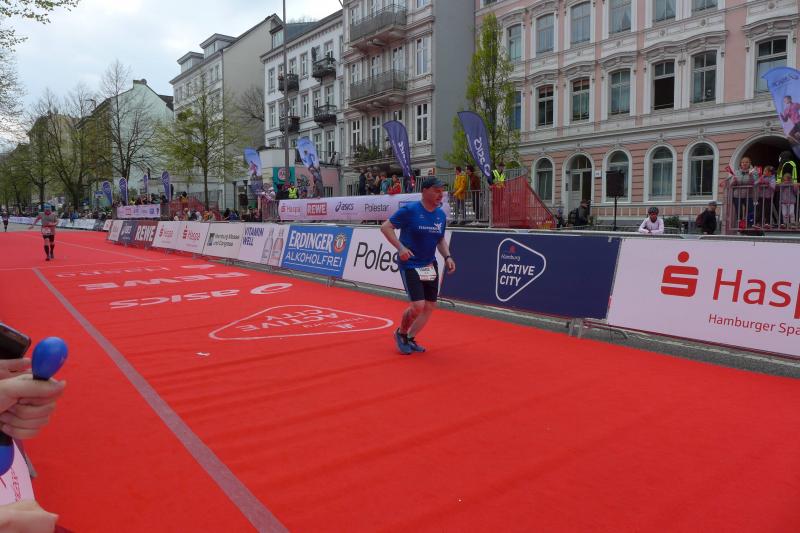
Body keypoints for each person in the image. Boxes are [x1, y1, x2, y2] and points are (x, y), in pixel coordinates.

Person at [380, 177, 455, 355]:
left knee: (429, 305)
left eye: (442, 191)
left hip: (429, 264)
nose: (440, 194)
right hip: (411, 264)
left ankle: (410, 337)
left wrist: (448, 256)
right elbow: (386, 227)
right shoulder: (410, 210)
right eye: (436, 190)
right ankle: (401, 333)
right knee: (417, 305)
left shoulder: (440, 215)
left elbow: (440, 240)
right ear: (425, 191)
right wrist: (401, 248)